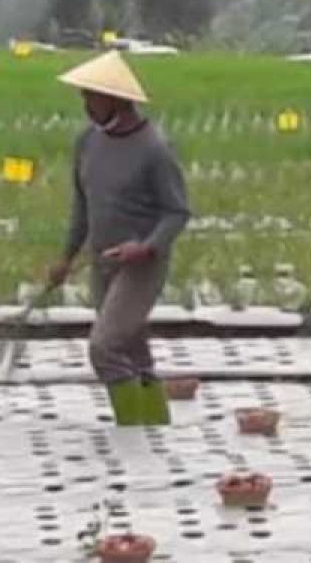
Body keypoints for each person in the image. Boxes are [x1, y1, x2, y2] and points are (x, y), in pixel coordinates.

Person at [49, 51, 191, 426]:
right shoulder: (87, 143)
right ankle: (155, 427)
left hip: (140, 268)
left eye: (90, 97)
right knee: (131, 348)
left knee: (105, 347)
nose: (85, 105)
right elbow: (83, 206)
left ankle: (131, 428)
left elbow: (177, 212)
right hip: (102, 262)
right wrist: (66, 257)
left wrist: (145, 247)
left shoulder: (154, 149)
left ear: (114, 99)